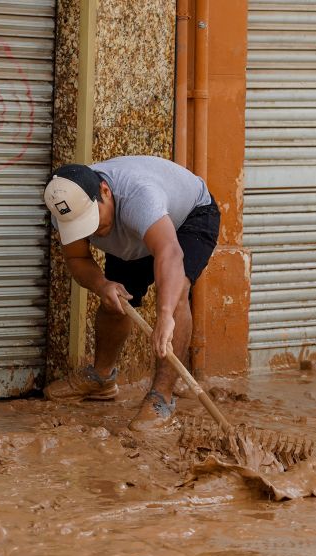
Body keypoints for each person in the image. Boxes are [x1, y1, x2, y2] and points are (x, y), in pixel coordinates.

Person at [42, 155, 219, 432]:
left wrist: (164, 315)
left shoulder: (140, 196)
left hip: (188, 218)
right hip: (133, 234)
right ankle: (101, 379)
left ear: (105, 191)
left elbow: (169, 252)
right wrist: (102, 285)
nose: (94, 232)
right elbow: (77, 260)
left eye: (92, 220)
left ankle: (162, 398)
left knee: (175, 296)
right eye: (83, 227)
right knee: (115, 300)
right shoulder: (66, 208)